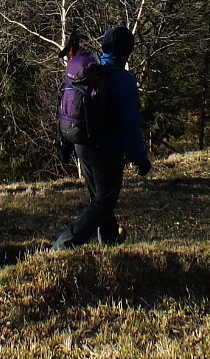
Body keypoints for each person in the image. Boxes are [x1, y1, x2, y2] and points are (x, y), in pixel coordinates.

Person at [51, 25, 152, 249]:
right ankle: (63, 244)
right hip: (107, 151)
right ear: (128, 51)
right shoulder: (124, 80)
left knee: (99, 197)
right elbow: (131, 126)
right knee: (104, 201)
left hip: (81, 143)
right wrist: (141, 159)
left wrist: (66, 143)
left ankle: (109, 241)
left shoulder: (88, 71)